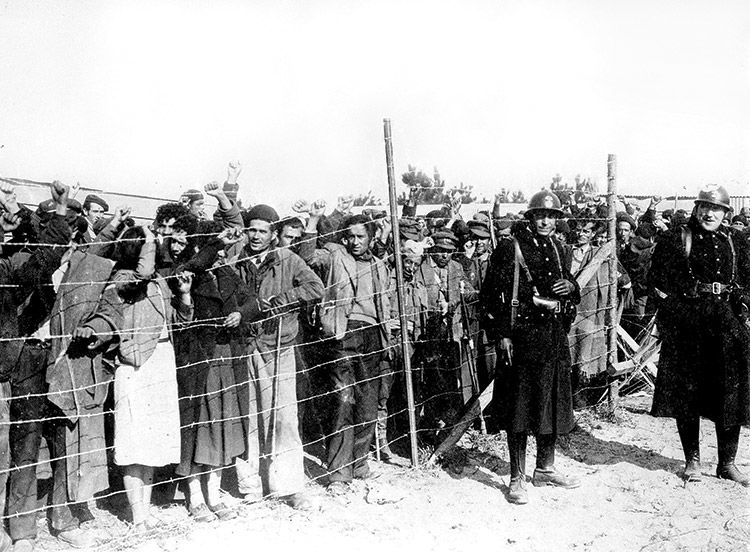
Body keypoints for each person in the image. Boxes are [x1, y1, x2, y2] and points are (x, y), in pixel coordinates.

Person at [73, 225, 195, 527]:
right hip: (136, 366)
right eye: (147, 247)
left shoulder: (160, 283)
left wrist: (185, 296)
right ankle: (137, 513)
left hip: (162, 361)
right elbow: (139, 276)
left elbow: (178, 321)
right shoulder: (122, 279)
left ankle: (144, 509)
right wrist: (151, 243)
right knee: (133, 441)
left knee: (152, 441)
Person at [482, 190, 581, 505]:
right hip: (521, 337)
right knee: (519, 407)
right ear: (530, 217)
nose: (546, 221)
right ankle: (516, 477)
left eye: (552, 216)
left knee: (551, 400)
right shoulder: (511, 248)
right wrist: (502, 334)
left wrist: (572, 287)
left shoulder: (556, 246)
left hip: (552, 335)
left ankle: (546, 468)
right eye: (541, 215)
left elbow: (567, 286)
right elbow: (489, 297)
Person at [649, 184, 750, 486]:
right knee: (688, 395)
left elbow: (747, 279)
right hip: (688, 329)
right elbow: (656, 282)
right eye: (704, 206)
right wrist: (678, 312)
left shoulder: (736, 240)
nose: (709, 213)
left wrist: (744, 304)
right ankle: (692, 460)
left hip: (727, 327)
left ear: (725, 213)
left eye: (716, 208)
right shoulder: (677, 238)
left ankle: (727, 463)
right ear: (695, 208)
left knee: (730, 395)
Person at [230, 204, 324, 509]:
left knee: (283, 417)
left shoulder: (288, 259)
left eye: (262, 231)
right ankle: (251, 486)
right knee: (249, 417)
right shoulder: (237, 260)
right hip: (245, 346)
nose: (255, 236)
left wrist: (281, 301)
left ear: (273, 235)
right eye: (251, 230)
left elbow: (315, 287)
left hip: (279, 345)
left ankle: (289, 487)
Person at [319, 214, 391, 494]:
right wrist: (314, 221)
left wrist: (389, 337)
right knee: (342, 401)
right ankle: (338, 473)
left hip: (373, 336)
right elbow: (311, 256)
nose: (355, 241)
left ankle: (359, 463)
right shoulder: (336, 257)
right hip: (345, 333)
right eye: (350, 236)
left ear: (371, 237)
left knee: (367, 402)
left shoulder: (378, 265)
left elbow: (385, 302)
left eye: (361, 236)